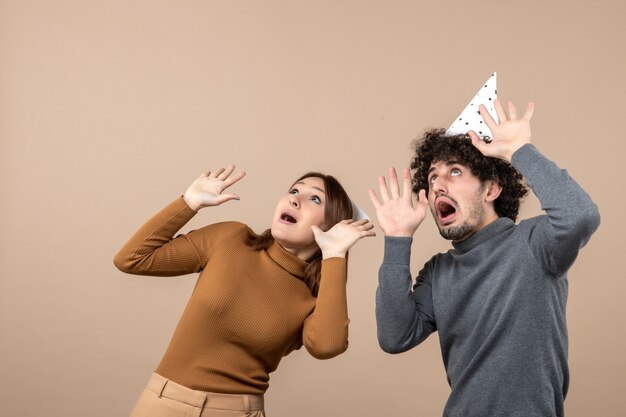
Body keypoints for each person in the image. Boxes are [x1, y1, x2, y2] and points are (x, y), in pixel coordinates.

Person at [369, 100, 600, 417]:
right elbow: (395, 336)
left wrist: (520, 150)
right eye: (433, 177)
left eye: (454, 171)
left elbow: (580, 217)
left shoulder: (534, 244)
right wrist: (397, 239)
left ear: (491, 189)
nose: (438, 185)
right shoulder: (439, 272)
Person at [114, 165, 375, 417]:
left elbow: (327, 347)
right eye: (294, 191)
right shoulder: (231, 239)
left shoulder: (315, 299)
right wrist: (188, 202)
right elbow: (132, 259)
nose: (295, 200)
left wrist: (334, 255)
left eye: (315, 199)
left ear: (331, 224)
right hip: (162, 405)